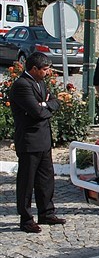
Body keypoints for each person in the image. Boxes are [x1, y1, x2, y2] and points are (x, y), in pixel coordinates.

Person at [10, 52, 64, 233]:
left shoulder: (40, 82)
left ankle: (46, 212)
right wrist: (44, 106)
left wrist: (46, 105)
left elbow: (55, 101)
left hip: (43, 139)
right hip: (29, 141)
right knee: (27, 182)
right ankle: (26, 218)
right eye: (45, 69)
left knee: (46, 179)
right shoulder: (22, 85)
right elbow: (36, 112)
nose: (48, 73)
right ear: (34, 69)